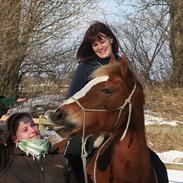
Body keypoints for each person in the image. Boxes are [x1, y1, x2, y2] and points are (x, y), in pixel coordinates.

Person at [65, 21, 168, 183]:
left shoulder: (122, 65)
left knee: (156, 164)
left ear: (111, 40)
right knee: (71, 154)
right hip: (92, 128)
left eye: (103, 41)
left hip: (121, 128)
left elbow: (133, 97)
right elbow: (72, 98)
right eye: (95, 44)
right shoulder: (85, 68)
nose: (100, 47)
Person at [0, 112, 77, 183]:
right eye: (25, 130)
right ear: (15, 139)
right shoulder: (6, 158)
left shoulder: (60, 159)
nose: (33, 130)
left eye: (33, 125)